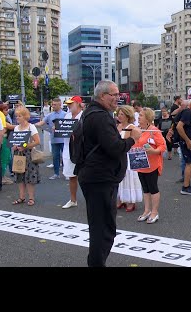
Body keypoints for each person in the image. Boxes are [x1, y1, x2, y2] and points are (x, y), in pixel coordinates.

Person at [77, 80, 141, 267]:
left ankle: (96, 262)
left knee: (100, 226)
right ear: (102, 95)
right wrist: (132, 139)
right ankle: (97, 263)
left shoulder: (90, 113)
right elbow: (114, 148)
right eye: (114, 95)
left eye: (118, 94)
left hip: (94, 175)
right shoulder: (101, 117)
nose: (118, 98)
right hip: (100, 178)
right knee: (103, 229)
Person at [134, 108, 167, 223]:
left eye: (141, 115)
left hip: (152, 164)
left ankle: (154, 212)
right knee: (145, 189)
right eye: (139, 115)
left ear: (147, 118)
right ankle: (146, 210)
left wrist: (154, 151)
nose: (139, 117)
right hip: (140, 163)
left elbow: (162, 146)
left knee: (153, 188)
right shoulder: (138, 130)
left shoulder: (154, 131)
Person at [11, 107, 41, 206]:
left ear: (25, 116)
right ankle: (22, 197)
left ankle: (31, 198)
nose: (17, 118)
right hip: (18, 153)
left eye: (19, 116)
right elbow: (14, 140)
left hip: (28, 153)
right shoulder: (16, 128)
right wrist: (14, 146)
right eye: (16, 116)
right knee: (19, 175)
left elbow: (37, 141)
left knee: (29, 176)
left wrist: (26, 146)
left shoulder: (31, 127)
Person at [116, 105, 143, 212]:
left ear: (127, 115)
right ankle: (121, 198)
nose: (119, 116)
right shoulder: (117, 126)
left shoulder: (132, 127)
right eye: (118, 114)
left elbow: (137, 140)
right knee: (119, 178)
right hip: (118, 155)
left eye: (122, 114)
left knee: (129, 177)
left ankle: (131, 200)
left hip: (128, 155)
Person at [59, 96, 84, 209]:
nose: (69, 106)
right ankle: (73, 200)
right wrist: (57, 129)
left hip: (80, 149)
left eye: (71, 104)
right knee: (71, 175)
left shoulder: (83, 116)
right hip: (67, 149)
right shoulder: (67, 115)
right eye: (68, 104)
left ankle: (90, 200)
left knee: (84, 175)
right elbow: (63, 129)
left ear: (78, 104)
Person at [35, 97, 66, 179]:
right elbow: (42, 122)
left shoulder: (65, 114)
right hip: (54, 139)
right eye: (52, 104)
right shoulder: (49, 115)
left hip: (63, 139)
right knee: (55, 156)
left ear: (60, 105)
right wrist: (34, 125)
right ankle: (56, 173)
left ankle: (67, 173)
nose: (53, 106)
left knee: (65, 156)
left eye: (55, 105)